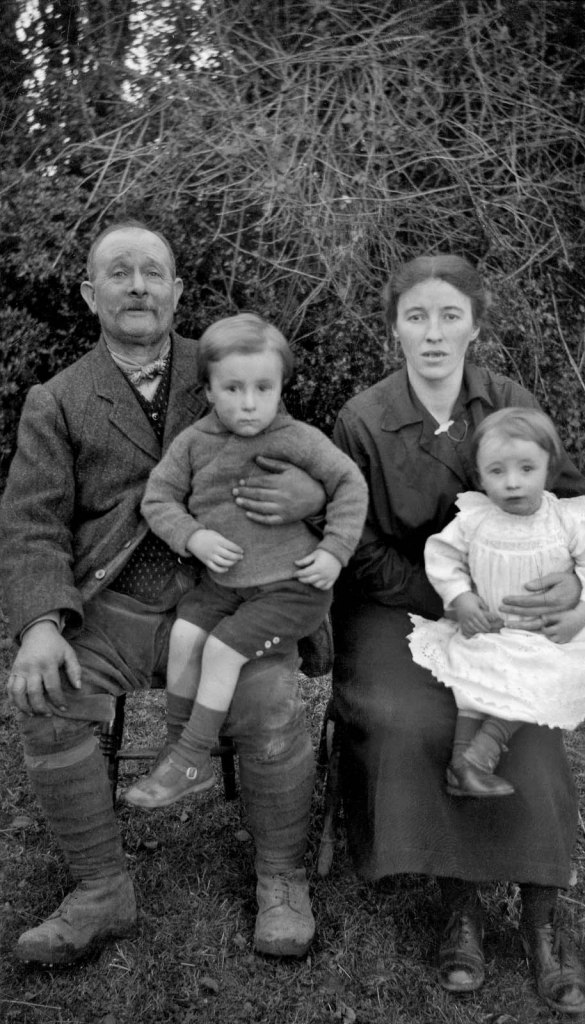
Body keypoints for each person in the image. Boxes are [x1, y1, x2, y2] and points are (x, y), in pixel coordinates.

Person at [0, 221, 327, 966]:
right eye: (120, 272)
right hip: (113, 608)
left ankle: (282, 880)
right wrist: (44, 623)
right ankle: (100, 890)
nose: (138, 285)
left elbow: (295, 448)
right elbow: (30, 524)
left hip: (228, 598)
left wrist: (307, 488)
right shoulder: (57, 400)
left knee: (270, 699)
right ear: (91, 294)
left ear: (178, 292)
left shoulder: (223, 368)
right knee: (46, 695)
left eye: (154, 272)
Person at [330, 254, 585, 1015]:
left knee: (526, 719)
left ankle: (546, 917)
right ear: (394, 329)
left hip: (506, 608)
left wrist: (572, 581)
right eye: (416, 316)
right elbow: (357, 543)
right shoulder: (363, 418)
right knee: (414, 716)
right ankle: (462, 907)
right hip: (398, 601)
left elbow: (570, 504)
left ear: (475, 325)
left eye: (450, 316)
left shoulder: (510, 402)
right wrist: (446, 597)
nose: (434, 333)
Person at [123, 313, 367, 809]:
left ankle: (192, 757)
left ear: (280, 387)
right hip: (225, 584)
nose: (250, 402)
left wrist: (334, 551)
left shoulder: (295, 438)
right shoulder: (194, 443)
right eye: (233, 388)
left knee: (221, 649)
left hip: (293, 587)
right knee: (186, 638)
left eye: (263, 387)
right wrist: (193, 538)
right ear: (209, 390)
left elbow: (350, 485)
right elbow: (158, 499)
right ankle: (178, 752)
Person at [407, 406, 585, 799]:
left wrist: (582, 613)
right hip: (493, 628)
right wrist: (463, 598)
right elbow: (441, 556)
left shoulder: (565, 520)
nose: (512, 483)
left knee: (541, 679)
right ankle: (464, 767)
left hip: (549, 636)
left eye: (527, 469)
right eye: (497, 472)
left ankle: (478, 755)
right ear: (480, 475)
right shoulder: (475, 518)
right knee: (476, 677)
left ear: (549, 468)